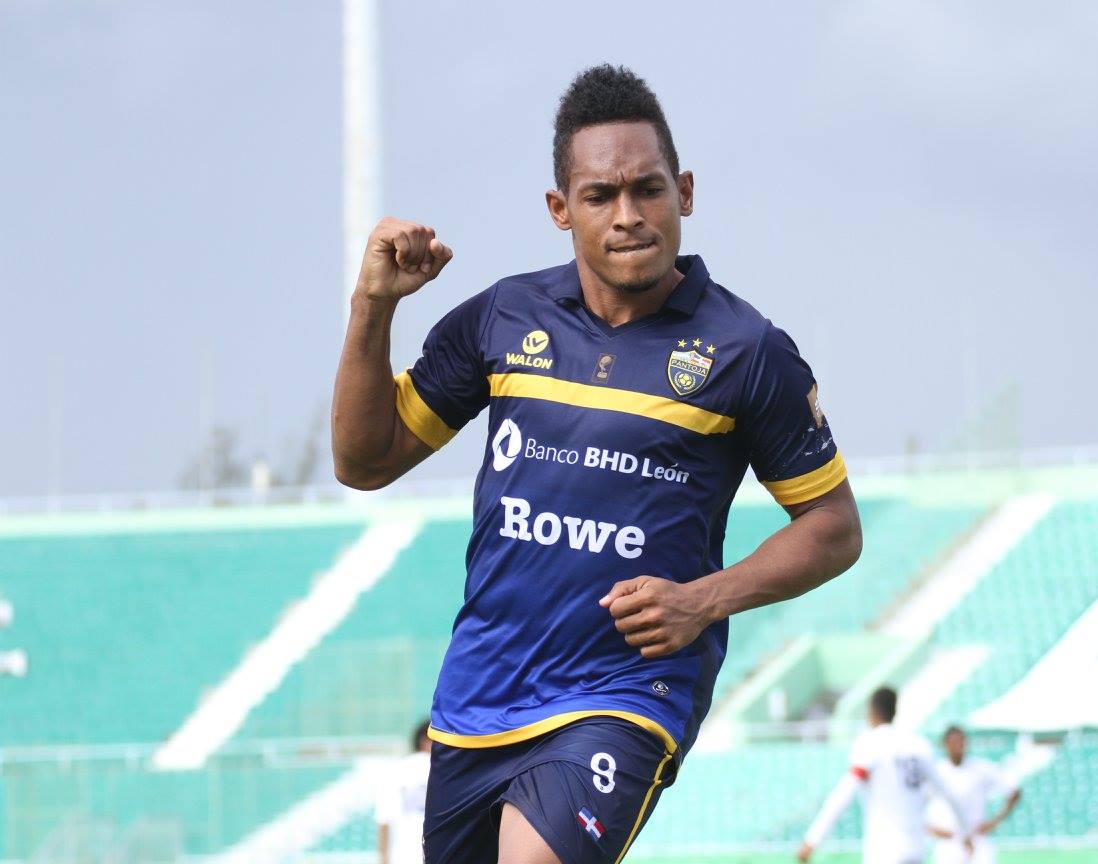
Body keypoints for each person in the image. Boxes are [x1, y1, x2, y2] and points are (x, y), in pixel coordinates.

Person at [331, 64, 862, 864]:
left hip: (625, 694)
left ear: (685, 192)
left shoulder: (747, 351)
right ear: (560, 209)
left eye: (648, 190)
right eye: (599, 196)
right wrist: (373, 305)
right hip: (480, 695)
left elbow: (834, 527)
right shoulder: (503, 317)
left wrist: (702, 601)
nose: (628, 216)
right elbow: (364, 462)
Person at [797, 687, 969, 864]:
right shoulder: (919, 746)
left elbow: (845, 792)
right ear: (894, 711)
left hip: (884, 850)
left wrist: (813, 839)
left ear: (872, 711)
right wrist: (965, 832)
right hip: (915, 850)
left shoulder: (870, 743)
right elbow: (948, 792)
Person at [926, 726, 1022, 864]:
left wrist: (994, 822)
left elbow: (1014, 791)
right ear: (945, 744)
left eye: (961, 741)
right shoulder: (936, 771)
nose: (958, 746)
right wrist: (930, 828)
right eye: (954, 742)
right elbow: (915, 801)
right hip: (949, 841)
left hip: (977, 839)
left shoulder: (981, 768)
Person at [375, 721, 434, 864]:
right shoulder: (448, 772)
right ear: (426, 741)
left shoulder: (395, 770)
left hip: (401, 855)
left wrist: (383, 859)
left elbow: (384, 820)